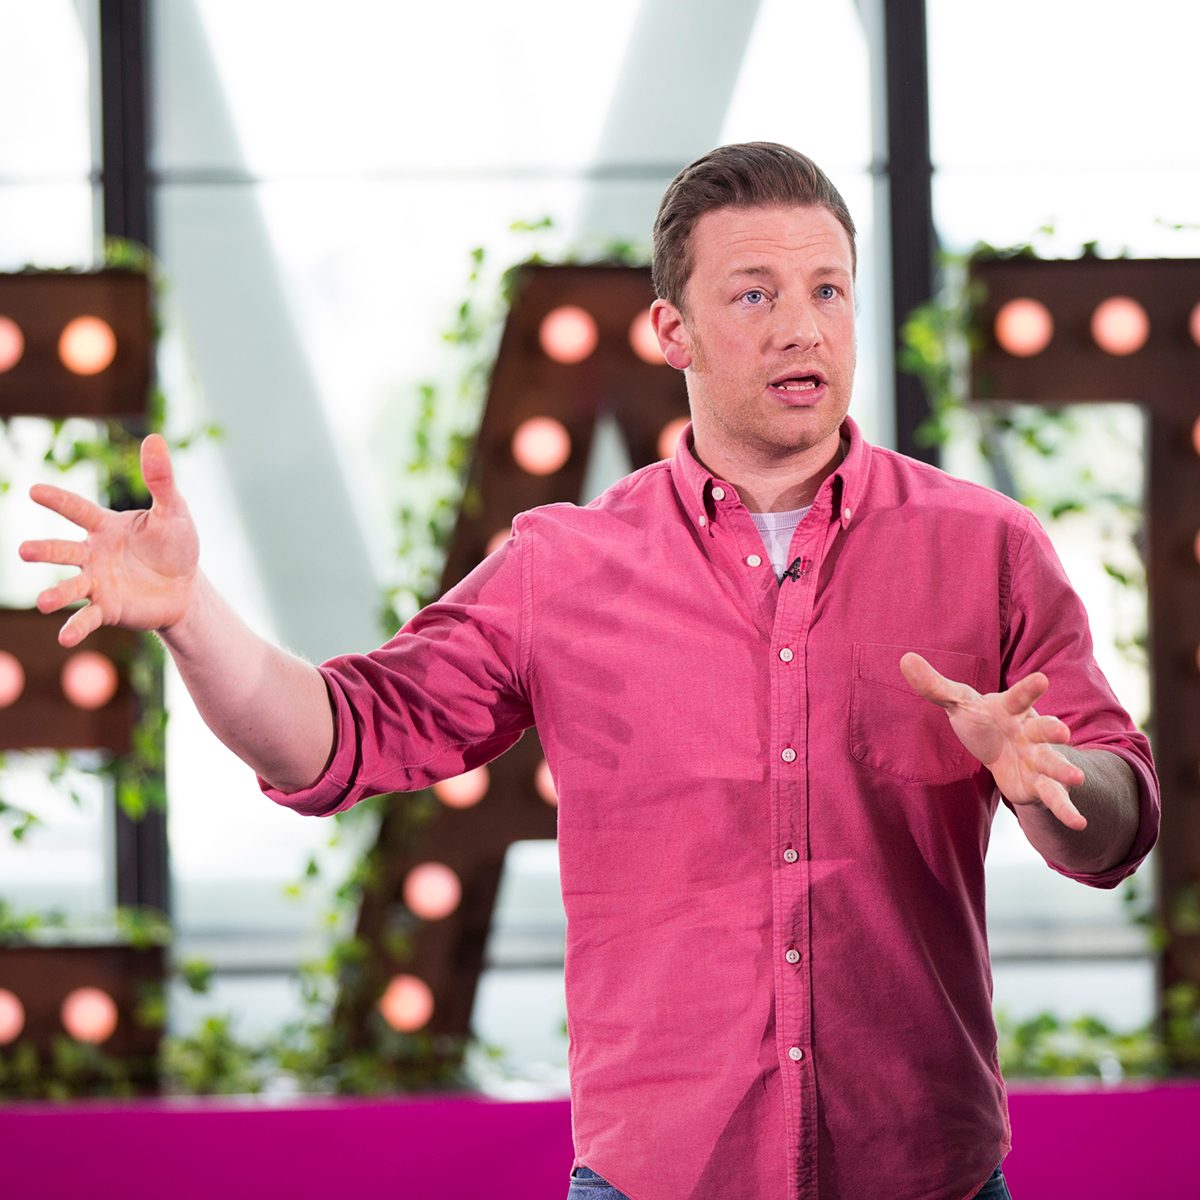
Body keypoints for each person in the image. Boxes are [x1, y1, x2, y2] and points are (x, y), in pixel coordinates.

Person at [21, 143, 1158, 1200]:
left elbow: (1113, 823)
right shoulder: (561, 566)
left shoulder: (988, 547)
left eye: (828, 289)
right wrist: (192, 615)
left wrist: (1048, 782)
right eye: (753, 293)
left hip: (931, 1177)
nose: (801, 328)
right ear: (674, 331)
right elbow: (332, 741)